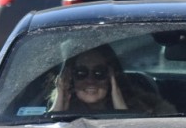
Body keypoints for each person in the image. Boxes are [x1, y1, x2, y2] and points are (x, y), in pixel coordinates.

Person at [46, 45, 175, 114]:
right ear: (71, 77)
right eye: (81, 73)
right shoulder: (63, 106)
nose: (90, 80)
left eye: (99, 73)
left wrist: (118, 99)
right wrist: (61, 96)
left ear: (112, 76)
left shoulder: (147, 108)